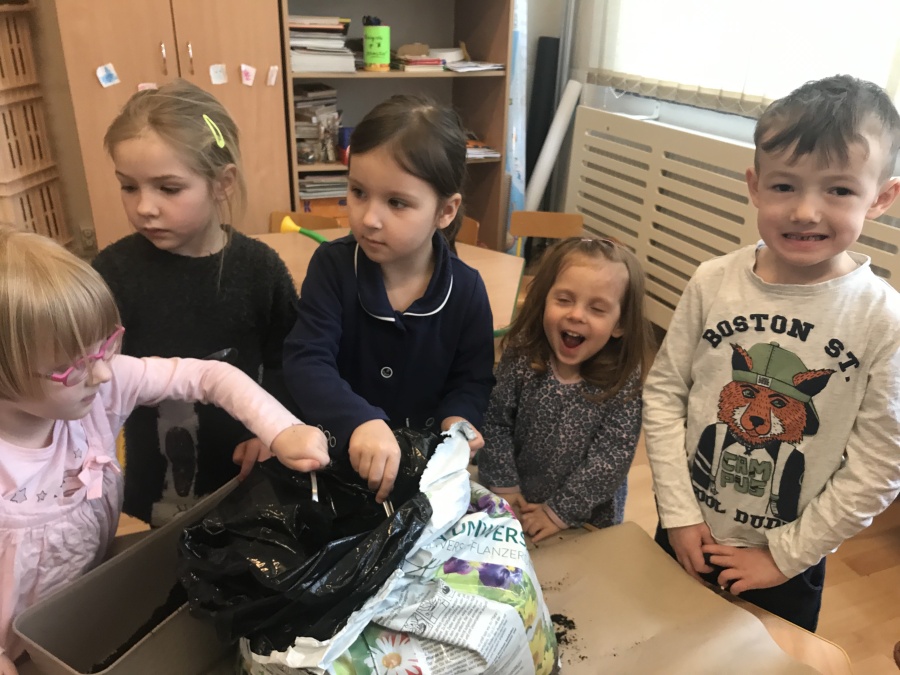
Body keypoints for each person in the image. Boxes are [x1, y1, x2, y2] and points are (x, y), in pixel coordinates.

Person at [0, 227, 328, 675]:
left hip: (83, 609)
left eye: (106, 345)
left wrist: (281, 429)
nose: (101, 373)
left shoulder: (101, 385)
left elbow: (209, 376)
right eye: (70, 367)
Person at [643, 74, 900, 631]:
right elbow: (664, 395)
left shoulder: (883, 320)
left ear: (881, 197)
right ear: (755, 186)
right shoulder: (712, 281)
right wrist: (679, 514)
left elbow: (880, 464)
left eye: (838, 190)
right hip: (687, 532)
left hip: (787, 561)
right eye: (785, 186)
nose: (805, 211)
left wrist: (783, 557)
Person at [92, 79, 299, 526]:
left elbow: (289, 361)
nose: (144, 207)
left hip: (247, 480)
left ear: (222, 183)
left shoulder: (259, 269)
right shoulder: (111, 271)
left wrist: (275, 429)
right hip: (152, 489)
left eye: (168, 188)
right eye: (129, 187)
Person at [278, 94, 496, 503]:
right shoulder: (333, 267)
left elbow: (472, 379)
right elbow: (306, 360)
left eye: (396, 202)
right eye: (358, 192)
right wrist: (359, 420)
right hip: (333, 469)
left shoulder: (466, 290)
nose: (369, 218)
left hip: (420, 478)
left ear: (446, 211)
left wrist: (459, 419)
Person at [477, 237, 653, 542]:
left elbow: (611, 459)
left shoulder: (622, 378)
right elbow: (495, 420)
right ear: (544, 299)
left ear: (620, 324)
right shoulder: (522, 354)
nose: (576, 315)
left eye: (597, 308)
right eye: (564, 300)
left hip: (586, 517)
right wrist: (505, 485)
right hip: (517, 498)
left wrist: (558, 512)